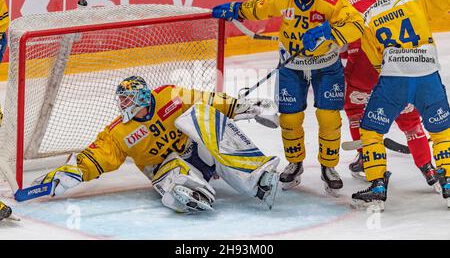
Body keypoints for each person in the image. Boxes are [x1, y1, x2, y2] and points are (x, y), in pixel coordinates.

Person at [212, 0, 364, 196]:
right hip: (292, 67)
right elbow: (259, 7)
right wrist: (236, 8)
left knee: (329, 119)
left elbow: (357, 24)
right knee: (290, 119)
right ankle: (295, 163)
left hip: (326, 65)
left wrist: (326, 32)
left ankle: (329, 166)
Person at [33, 76, 281, 212]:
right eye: (121, 100)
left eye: (127, 100)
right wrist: (65, 176)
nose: (122, 105)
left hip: (199, 151)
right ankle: (187, 193)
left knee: (204, 115)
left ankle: (257, 176)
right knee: (173, 172)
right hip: (167, 168)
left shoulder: (169, 95)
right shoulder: (119, 132)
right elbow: (94, 158)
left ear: (141, 97)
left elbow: (208, 100)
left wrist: (246, 108)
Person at [351, 0, 450, 210]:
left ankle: (378, 185)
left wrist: (397, 93)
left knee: (371, 131)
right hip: (428, 76)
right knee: (441, 130)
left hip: (393, 79)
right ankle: (448, 181)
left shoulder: (369, 16)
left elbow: (375, 60)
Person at [328, 0, 440, 190]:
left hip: (362, 63)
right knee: (409, 117)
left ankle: (365, 159)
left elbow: (338, 43)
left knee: (357, 110)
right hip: (399, 64)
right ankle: (427, 165)